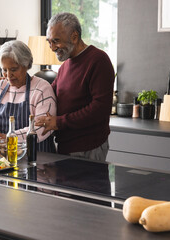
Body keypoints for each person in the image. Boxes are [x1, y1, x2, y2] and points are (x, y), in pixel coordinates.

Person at [35, 12, 115, 162]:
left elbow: (99, 109)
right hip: (66, 147)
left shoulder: (98, 60)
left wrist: (59, 122)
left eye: (56, 41)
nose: (52, 47)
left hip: (88, 147)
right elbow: (48, 92)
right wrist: (18, 82)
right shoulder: (65, 66)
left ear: (74, 36)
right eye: (49, 42)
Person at [0, 40, 57, 152]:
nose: (8, 75)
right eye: (4, 70)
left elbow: (42, 127)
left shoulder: (42, 89)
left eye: (14, 69)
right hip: (3, 159)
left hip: (38, 158)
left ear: (26, 65)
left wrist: (11, 139)